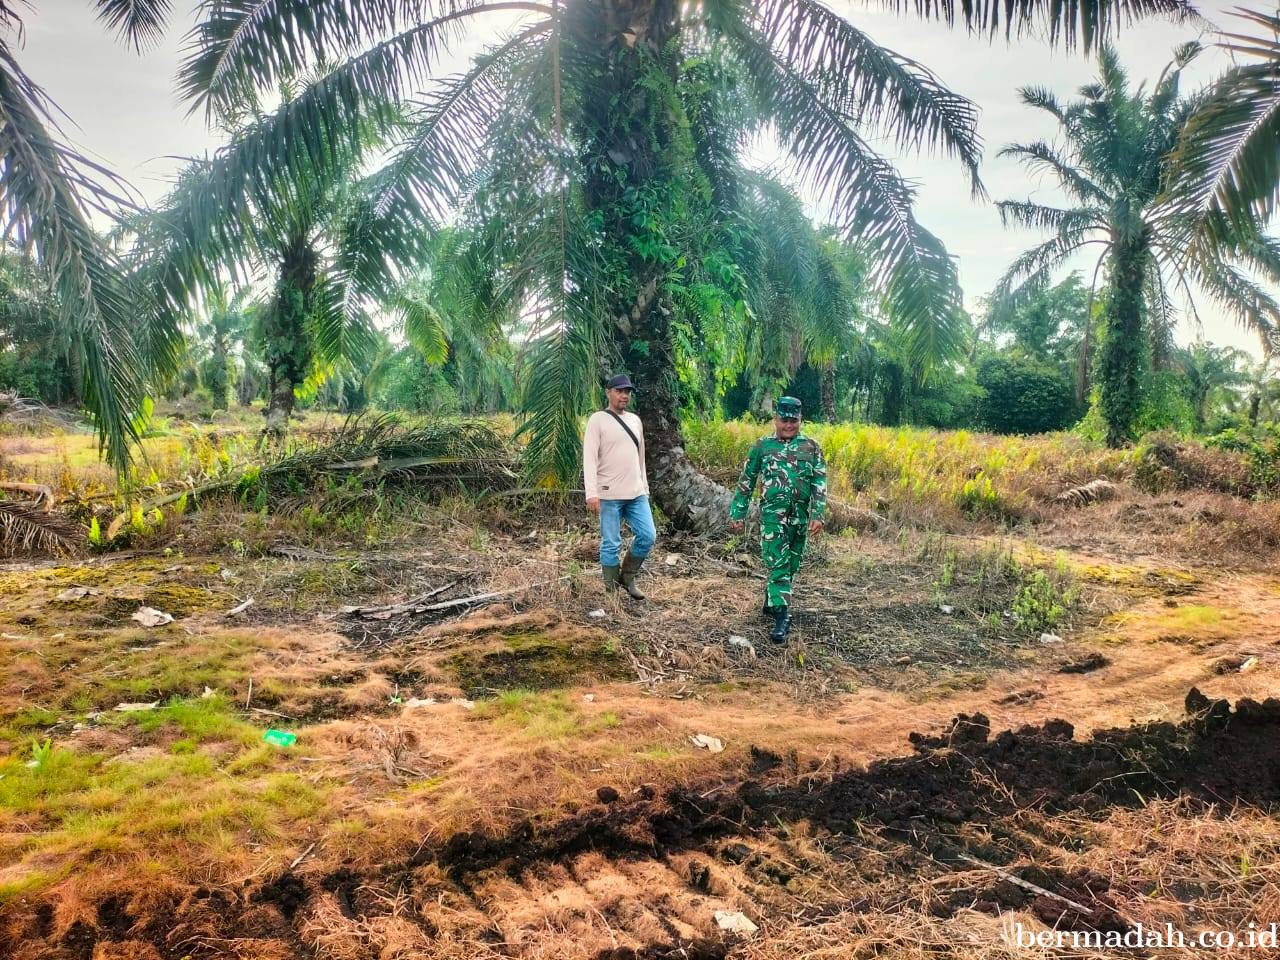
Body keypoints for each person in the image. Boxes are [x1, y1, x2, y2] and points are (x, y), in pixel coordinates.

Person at [728, 396, 826, 642]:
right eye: (784, 420)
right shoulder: (762, 446)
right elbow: (746, 481)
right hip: (773, 516)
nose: (789, 425)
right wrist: (737, 512)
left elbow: (819, 481)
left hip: (799, 517)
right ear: (776, 419)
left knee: (792, 563)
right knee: (778, 562)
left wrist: (818, 513)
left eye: (794, 421)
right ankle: (782, 617)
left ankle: (772, 600)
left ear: (800, 420)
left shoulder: (811, 447)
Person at [583, 373, 656, 600]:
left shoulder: (635, 420)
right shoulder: (598, 420)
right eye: (619, 391)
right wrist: (591, 493)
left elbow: (640, 455)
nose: (624, 395)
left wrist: (644, 486)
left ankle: (628, 577)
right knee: (611, 543)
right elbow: (589, 457)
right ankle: (611, 592)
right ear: (608, 392)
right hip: (608, 494)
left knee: (648, 535)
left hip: (635, 493)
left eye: (627, 392)